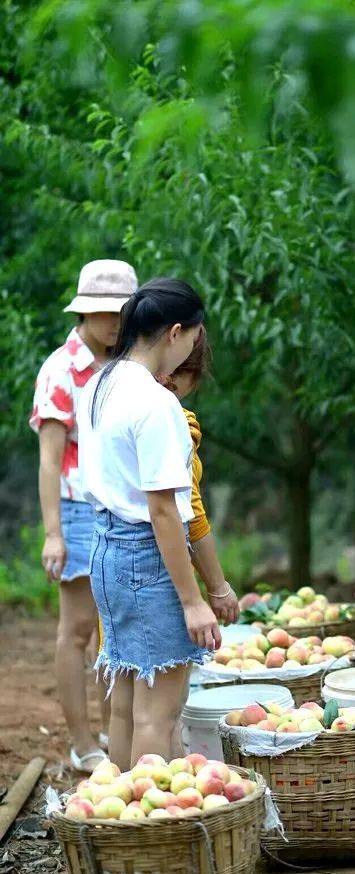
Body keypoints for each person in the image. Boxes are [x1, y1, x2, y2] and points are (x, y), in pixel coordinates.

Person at [77, 278, 223, 770]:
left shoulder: (100, 382)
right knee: (158, 714)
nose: (194, 349)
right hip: (147, 557)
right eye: (195, 338)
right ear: (175, 333)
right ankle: (151, 830)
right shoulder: (158, 403)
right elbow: (163, 510)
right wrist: (193, 601)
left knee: (125, 708)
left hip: (106, 550)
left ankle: (115, 826)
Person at [30, 259, 138, 772]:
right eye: (104, 313)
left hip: (118, 508)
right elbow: (50, 458)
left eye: (122, 313)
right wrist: (54, 533)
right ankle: (82, 740)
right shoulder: (60, 370)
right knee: (77, 629)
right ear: (84, 313)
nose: (114, 323)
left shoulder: (126, 365)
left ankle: (118, 732)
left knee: (111, 628)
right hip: (75, 509)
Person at [158, 329, 239, 626]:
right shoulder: (174, 422)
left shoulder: (103, 396)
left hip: (110, 562)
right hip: (158, 569)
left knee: (122, 668)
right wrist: (216, 587)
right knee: (165, 671)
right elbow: (186, 511)